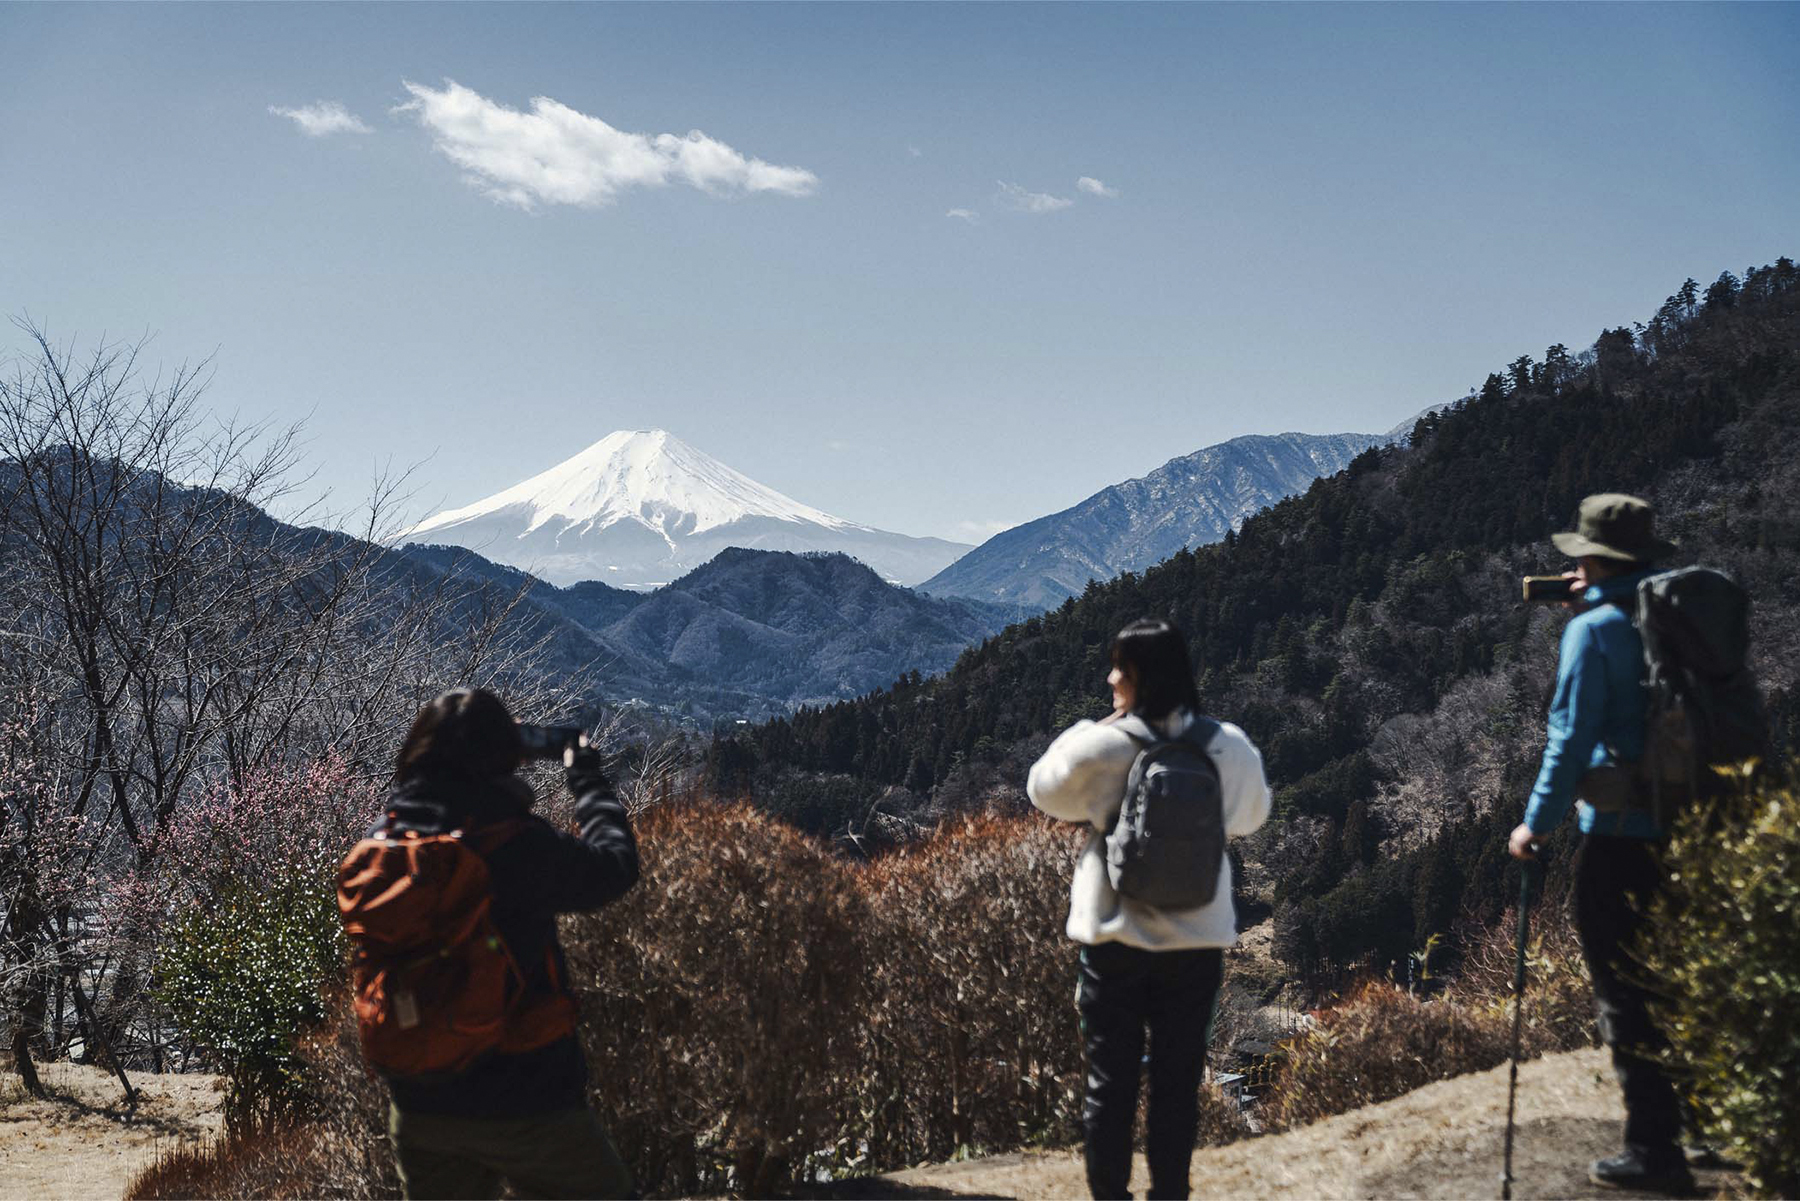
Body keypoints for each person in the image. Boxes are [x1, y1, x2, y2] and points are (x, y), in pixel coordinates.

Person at [1027, 618, 1271, 1201]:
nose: (1111, 676)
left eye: (1119, 667)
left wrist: (1097, 726)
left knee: (1109, 1082)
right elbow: (1251, 816)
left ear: (1137, 676)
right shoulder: (1226, 745)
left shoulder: (1105, 746)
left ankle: (1111, 1195)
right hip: (1196, 941)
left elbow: (1041, 787)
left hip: (1113, 938)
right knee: (1177, 1081)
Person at [371, 688, 639, 1200]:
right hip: (525, 1099)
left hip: (419, 1102)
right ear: (499, 756)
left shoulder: (382, 844)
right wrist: (584, 775)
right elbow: (614, 867)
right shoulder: (512, 844)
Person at [1506, 494, 1697, 1195]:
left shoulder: (1595, 632)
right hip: (1695, 828)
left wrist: (1534, 824)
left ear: (1588, 559)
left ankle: (1655, 1149)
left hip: (1621, 836)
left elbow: (1569, 739)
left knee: (1625, 988)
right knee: (1680, 977)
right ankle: (1702, 1125)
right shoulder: (1677, 621)